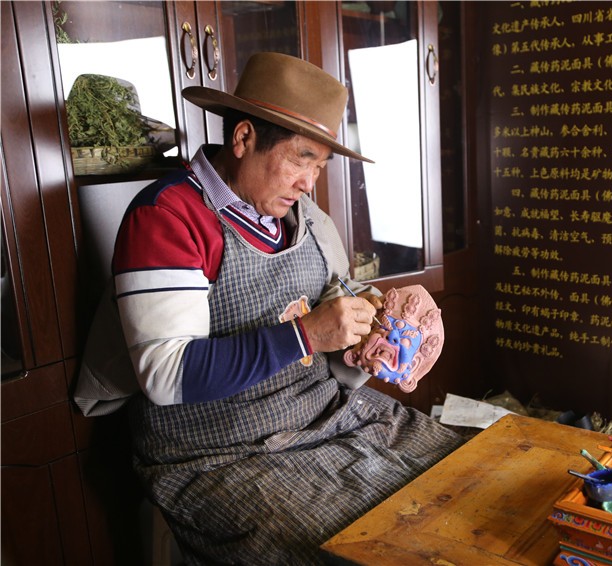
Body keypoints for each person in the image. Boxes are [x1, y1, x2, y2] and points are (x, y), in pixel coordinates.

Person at [74, 53, 462, 565]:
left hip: (330, 418)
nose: (309, 182)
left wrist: (367, 332)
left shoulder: (304, 218)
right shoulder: (168, 216)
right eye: (301, 158)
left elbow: (332, 321)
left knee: (467, 480)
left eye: (319, 166)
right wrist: (308, 334)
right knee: (368, 552)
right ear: (243, 139)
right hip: (220, 454)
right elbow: (166, 375)